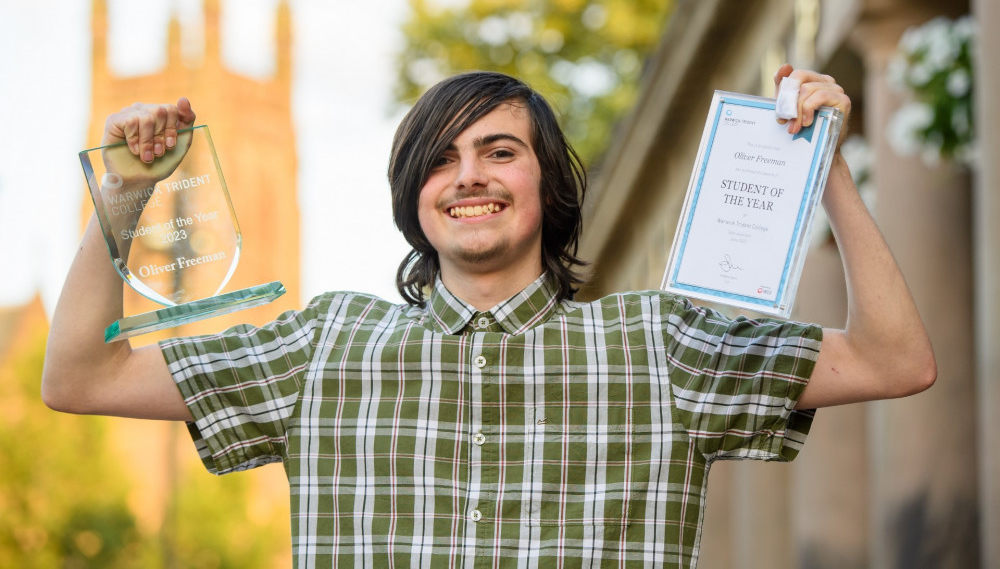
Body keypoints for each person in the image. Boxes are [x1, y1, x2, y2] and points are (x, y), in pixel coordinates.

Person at [43, 67, 935, 567]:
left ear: (545, 185)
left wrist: (829, 175)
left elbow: (894, 360)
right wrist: (122, 193)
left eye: (498, 152)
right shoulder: (323, 347)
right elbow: (83, 376)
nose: (468, 175)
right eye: (441, 160)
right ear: (415, 198)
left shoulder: (659, 346)